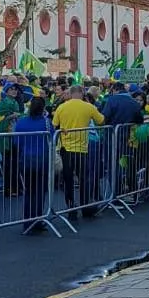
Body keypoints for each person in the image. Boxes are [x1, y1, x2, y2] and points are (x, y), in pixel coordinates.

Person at [52, 85, 105, 216]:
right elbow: (101, 121)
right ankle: (85, 206)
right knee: (83, 178)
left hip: (65, 148)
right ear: (82, 93)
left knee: (68, 179)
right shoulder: (89, 107)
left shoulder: (62, 107)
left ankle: (71, 208)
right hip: (82, 148)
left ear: (71, 94)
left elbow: (54, 124)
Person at [13, 97, 53, 233]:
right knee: (40, 191)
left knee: (29, 191)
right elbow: (52, 139)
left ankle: (28, 222)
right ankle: (37, 219)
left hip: (26, 159)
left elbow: (16, 142)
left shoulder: (21, 122)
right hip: (42, 159)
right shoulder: (46, 122)